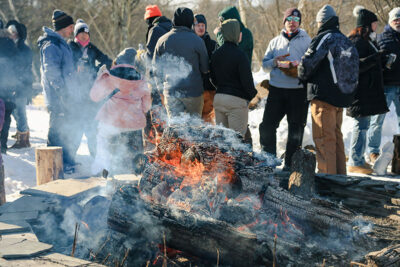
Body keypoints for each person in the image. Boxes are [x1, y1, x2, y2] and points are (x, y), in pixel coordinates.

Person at [298, 5, 359, 175]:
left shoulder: (325, 38)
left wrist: (300, 73)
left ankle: (327, 182)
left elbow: (307, 64)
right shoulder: (346, 40)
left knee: (324, 139)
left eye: (318, 23)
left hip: (323, 97)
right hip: (342, 97)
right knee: (336, 138)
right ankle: (340, 178)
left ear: (322, 22)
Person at [258, 8, 311, 170]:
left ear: (299, 23)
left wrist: (300, 66)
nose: (292, 22)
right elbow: (265, 66)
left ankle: (290, 165)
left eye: (295, 19)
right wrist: (275, 61)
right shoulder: (275, 42)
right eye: (289, 19)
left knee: (296, 129)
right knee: (267, 126)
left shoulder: (307, 41)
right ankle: (269, 160)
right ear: (284, 22)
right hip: (277, 90)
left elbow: (312, 64)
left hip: (298, 91)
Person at [90, 48, 151, 175]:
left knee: (104, 152)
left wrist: (99, 77)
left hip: (111, 123)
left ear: (117, 60)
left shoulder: (109, 76)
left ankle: (102, 177)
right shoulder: (141, 79)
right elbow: (147, 106)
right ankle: (135, 183)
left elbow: (94, 97)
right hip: (134, 125)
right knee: (134, 158)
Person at [346, 6, 388, 174]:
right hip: (359, 93)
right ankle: (355, 161)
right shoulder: (356, 42)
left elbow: (370, 63)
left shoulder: (368, 41)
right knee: (360, 126)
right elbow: (354, 66)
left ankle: (359, 159)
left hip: (367, 92)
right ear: (366, 25)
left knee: (364, 125)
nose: (376, 27)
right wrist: (375, 58)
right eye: (374, 24)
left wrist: (382, 60)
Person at [38, 10, 78, 173]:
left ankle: (65, 162)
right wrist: (63, 93)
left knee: (66, 129)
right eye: (71, 27)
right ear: (65, 27)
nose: (72, 31)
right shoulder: (51, 45)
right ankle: (52, 168)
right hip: (58, 98)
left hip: (66, 97)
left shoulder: (61, 43)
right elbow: (52, 72)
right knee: (56, 131)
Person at [153, 7, 209, 119]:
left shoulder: (162, 40)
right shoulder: (197, 40)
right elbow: (205, 68)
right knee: (195, 129)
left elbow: (156, 69)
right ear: (190, 22)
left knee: (176, 130)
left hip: (171, 92)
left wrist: (161, 88)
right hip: (193, 92)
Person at [68, 19, 112, 157]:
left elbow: (108, 61)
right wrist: (75, 67)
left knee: (92, 128)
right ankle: (70, 159)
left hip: (91, 94)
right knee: (76, 128)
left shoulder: (92, 48)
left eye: (87, 34)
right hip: (75, 94)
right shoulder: (70, 46)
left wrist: (96, 70)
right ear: (76, 35)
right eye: (81, 33)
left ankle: (96, 158)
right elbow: (65, 65)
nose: (85, 36)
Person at [210, 19, 257, 137]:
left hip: (219, 99)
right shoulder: (240, 55)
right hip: (236, 101)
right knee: (236, 142)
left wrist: (222, 89)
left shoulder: (216, 54)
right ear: (236, 34)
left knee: (223, 142)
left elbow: (212, 77)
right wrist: (250, 96)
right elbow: (247, 82)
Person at [367, 7, 400, 164]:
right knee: (377, 120)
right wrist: (385, 62)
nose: (398, 22)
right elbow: (374, 62)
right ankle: (373, 151)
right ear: (390, 21)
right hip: (386, 86)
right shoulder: (381, 38)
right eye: (395, 19)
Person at [143, 5, 172, 149]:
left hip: (156, 82)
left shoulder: (154, 30)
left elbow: (150, 57)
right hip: (172, 81)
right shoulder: (172, 27)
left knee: (155, 118)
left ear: (149, 19)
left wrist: (141, 57)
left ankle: (154, 150)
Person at [6, 20, 33, 149]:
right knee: (14, 112)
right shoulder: (9, 47)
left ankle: (23, 140)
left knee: (19, 112)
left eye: (12, 33)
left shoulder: (23, 49)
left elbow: (23, 69)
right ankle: (23, 135)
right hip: (11, 85)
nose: (10, 35)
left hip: (21, 85)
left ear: (17, 34)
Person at [194, 14, 218, 124]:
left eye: (203, 25)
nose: (201, 28)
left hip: (210, 89)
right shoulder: (190, 43)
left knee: (208, 123)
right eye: (198, 25)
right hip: (194, 90)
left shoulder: (212, 44)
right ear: (193, 27)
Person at [0, 24, 19, 154]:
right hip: (8, 84)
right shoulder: (11, 43)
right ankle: (3, 146)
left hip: (5, 83)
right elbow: (17, 64)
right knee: (5, 117)